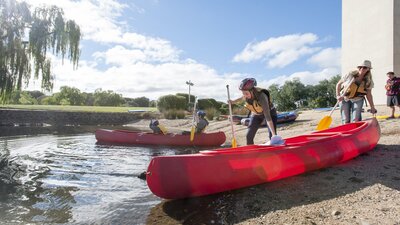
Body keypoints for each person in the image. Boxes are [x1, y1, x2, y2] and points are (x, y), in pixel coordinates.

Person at [229, 78, 283, 145]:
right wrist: (233, 102)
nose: (245, 95)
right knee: (249, 136)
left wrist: (274, 135)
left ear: (252, 91)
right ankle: (251, 153)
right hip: (256, 114)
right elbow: (242, 98)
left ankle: (276, 149)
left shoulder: (262, 97)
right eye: (243, 93)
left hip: (270, 113)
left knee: (271, 136)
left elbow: (268, 117)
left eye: (246, 93)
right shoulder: (246, 95)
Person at [336, 60, 377, 124]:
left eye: (365, 67)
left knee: (356, 120)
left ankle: (355, 131)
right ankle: (347, 133)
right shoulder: (350, 74)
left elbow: (369, 94)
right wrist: (338, 96)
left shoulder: (369, 81)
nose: (362, 69)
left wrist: (372, 107)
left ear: (368, 69)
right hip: (344, 98)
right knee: (345, 120)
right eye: (360, 67)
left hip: (358, 99)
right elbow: (338, 84)